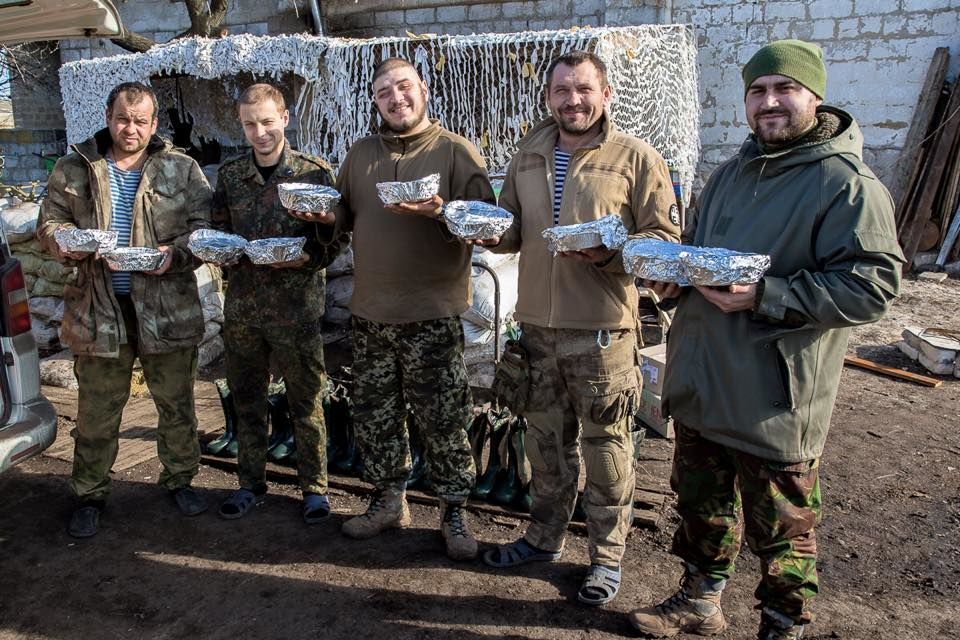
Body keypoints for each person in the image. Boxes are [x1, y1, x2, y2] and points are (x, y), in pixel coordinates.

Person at [628, 40, 904, 639]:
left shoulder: (846, 186)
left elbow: (873, 287)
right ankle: (699, 602)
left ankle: (782, 625)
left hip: (774, 398)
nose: (769, 102)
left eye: (785, 89)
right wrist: (670, 280)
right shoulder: (729, 175)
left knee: (783, 532)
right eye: (758, 91)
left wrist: (767, 295)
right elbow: (700, 258)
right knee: (701, 507)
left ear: (815, 96)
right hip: (702, 381)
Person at [479, 50, 680, 605]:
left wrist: (610, 255)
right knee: (546, 449)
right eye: (562, 90)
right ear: (548, 97)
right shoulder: (528, 154)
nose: (573, 100)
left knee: (608, 455)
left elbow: (663, 241)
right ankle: (542, 539)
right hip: (536, 334)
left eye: (584, 88)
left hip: (601, 337)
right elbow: (513, 228)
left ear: (606, 93)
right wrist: (486, 233)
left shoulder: (636, 158)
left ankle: (606, 558)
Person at [292, 58, 494, 560]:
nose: (396, 97)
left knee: (444, 418)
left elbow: (487, 223)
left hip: (432, 314)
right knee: (376, 415)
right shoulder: (360, 155)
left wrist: (442, 211)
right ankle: (388, 499)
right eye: (384, 91)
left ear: (423, 89)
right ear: (375, 100)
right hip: (372, 315)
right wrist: (323, 215)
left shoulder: (454, 152)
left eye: (404, 86)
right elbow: (341, 218)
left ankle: (453, 509)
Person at [37, 82, 212, 538]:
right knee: (96, 413)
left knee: (176, 407)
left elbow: (205, 232)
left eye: (140, 120)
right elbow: (48, 224)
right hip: (98, 311)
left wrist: (174, 255)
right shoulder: (74, 169)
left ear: (154, 124)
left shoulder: (181, 169)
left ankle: (180, 480)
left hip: (166, 309)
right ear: (108, 116)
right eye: (121, 119)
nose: (129, 129)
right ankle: (90, 493)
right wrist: (65, 242)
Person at [211, 83, 345, 524]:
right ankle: (249, 483)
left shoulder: (314, 173)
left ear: (284, 118)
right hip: (245, 312)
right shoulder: (230, 176)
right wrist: (223, 253)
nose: (260, 131)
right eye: (250, 124)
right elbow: (219, 231)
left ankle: (315, 490)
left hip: (297, 310)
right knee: (247, 403)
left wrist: (311, 255)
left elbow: (335, 238)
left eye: (267, 121)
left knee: (306, 405)